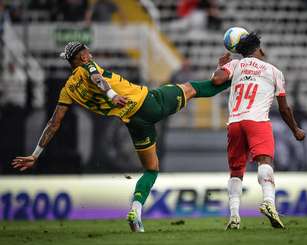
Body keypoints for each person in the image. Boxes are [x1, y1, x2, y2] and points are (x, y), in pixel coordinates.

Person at [12, 41, 231, 232]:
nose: (90, 54)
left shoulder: (67, 90)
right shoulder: (88, 65)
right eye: (87, 51)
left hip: (133, 121)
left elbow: (54, 123)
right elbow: (97, 77)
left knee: (151, 169)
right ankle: (238, 78)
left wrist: (35, 154)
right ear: (82, 56)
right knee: (192, 88)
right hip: (147, 103)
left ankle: (136, 211)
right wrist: (112, 94)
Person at [211, 32, 306, 229]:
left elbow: (217, 80)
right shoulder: (274, 71)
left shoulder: (235, 65)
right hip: (257, 121)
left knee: (236, 171)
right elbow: (284, 108)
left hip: (235, 122)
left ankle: (234, 216)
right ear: (259, 49)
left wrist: (220, 66)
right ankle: (269, 203)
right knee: (266, 160)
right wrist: (295, 129)